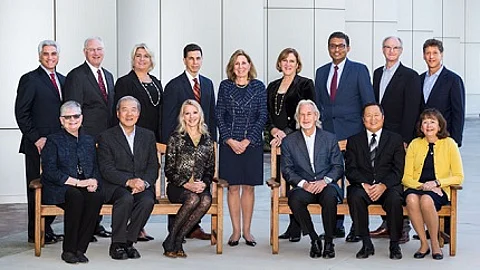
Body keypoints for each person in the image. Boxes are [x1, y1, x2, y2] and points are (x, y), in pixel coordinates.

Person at [314, 31, 375, 242]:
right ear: (328, 48)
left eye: (341, 45)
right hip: (328, 136)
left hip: (354, 135)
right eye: (333, 46)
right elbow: (318, 105)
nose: (337, 49)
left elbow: (368, 102)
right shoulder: (321, 72)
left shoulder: (359, 70)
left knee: (354, 179)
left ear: (348, 48)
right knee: (332, 178)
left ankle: (357, 227)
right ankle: (336, 225)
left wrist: (364, 135)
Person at [162, 43, 216, 240]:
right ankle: (175, 230)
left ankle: (194, 227)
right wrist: (174, 145)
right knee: (185, 187)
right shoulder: (174, 85)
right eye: (191, 58)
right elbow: (168, 119)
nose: (195, 62)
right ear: (184, 60)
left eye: (198, 58)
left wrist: (212, 145)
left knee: (201, 188)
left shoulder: (208, 84)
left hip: (202, 146)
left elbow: (211, 116)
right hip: (182, 147)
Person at [370, 36, 421, 242]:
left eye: (396, 48)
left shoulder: (410, 76)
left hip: (400, 137)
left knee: (398, 179)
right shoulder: (377, 73)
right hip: (379, 136)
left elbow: (411, 109)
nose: (391, 51)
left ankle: (402, 227)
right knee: (381, 175)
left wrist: (405, 139)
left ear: (401, 51)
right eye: (388, 47)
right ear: (383, 50)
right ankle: (386, 224)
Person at [64, 36, 115, 240]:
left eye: (99, 49)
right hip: (85, 139)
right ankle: (85, 226)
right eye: (92, 49)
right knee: (86, 180)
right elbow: (74, 110)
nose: (96, 53)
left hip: (105, 138)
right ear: (85, 52)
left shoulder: (108, 76)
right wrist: (82, 138)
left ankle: (96, 223)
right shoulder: (76, 76)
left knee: (100, 179)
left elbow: (109, 109)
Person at [14, 39, 65, 244]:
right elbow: (21, 112)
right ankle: (35, 232)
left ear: (58, 57)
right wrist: (36, 138)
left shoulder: (63, 79)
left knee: (54, 186)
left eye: (53, 54)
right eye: (46, 54)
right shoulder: (30, 79)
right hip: (37, 145)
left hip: (58, 144)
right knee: (36, 187)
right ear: (39, 56)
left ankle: (47, 229)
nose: (50, 57)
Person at [41, 101, 104, 264]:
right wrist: (78, 183)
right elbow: (50, 171)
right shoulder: (53, 140)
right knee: (75, 197)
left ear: (81, 117)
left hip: (83, 185)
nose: (72, 120)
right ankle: (68, 250)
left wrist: (94, 181)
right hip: (59, 187)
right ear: (61, 120)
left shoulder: (88, 140)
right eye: (67, 117)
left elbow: (96, 166)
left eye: (76, 116)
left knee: (96, 197)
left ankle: (80, 249)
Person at [216, 49, 267, 247]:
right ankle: (235, 231)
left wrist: (247, 141)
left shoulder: (258, 87)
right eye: (237, 63)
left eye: (244, 63)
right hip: (229, 145)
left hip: (251, 145)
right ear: (232, 67)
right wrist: (229, 140)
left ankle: (247, 230)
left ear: (249, 66)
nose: (240, 67)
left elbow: (262, 116)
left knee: (248, 188)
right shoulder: (225, 86)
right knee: (232, 188)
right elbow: (219, 114)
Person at [97, 96, 158, 260]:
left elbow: (153, 166)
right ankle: (117, 244)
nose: (129, 114)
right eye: (124, 109)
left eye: (133, 110)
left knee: (147, 201)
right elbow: (106, 168)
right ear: (117, 113)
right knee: (125, 198)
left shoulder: (148, 136)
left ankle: (129, 242)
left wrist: (143, 183)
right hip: (116, 185)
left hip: (141, 185)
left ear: (138, 113)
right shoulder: (106, 136)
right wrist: (128, 181)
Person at [281, 99, 344, 258]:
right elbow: (287, 170)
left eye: (309, 114)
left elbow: (338, 166)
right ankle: (314, 239)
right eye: (301, 115)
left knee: (330, 197)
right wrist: (304, 184)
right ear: (297, 118)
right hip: (305, 186)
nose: (305, 118)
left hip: (326, 185)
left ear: (316, 116)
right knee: (294, 199)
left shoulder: (329, 138)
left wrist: (325, 181)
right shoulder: (289, 141)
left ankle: (329, 241)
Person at [114, 43, 163, 242]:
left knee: (145, 180)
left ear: (151, 60)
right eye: (138, 56)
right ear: (133, 59)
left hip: (150, 138)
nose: (142, 59)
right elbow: (118, 112)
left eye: (146, 56)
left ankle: (138, 226)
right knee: (131, 180)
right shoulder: (125, 82)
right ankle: (132, 226)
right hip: (131, 136)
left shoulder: (156, 82)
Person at [266, 48, 315, 242]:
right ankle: (292, 225)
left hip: (297, 141)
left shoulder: (305, 84)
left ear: (297, 64)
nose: (288, 64)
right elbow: (267, 115)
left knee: (296, 182)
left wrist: (285, 133)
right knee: (283, 183)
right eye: (284, 60)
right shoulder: (272, 86)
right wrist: (273, 131)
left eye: (292, 61)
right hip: (277, 142)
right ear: (279, 63)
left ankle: (297, 225)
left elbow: (309, 112)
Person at [345, 103, 405, 260]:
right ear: (363, 120)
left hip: (387, 185)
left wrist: (383, 185)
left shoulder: (395, 139)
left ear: (383, 118)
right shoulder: (354, 140)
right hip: (363, 185)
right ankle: (366, 243)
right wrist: (364, 184)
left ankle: (394, 244)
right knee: (355, 196)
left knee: (394, 199)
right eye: (368, 116)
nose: (372, 119)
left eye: (376, 115)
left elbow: (398, 171)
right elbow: (351, 169)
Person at [403, 108, 464, 260]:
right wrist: (422, 186)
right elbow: (406, 177)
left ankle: (435, 243)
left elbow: (458, 176)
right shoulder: (414, 144)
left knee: (426, 200)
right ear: (421, 126)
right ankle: (424, 243)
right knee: (411, 199)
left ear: (440, 125)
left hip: (439, 190)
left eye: (432, 122)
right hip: (416, 187)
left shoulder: (449, 144)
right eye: (425, 122)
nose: (428, 126)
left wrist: (437, 183)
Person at [162, 99, 214, 258]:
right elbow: (169, 170)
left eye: (194, 112)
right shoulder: (176, 137)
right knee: (192, 199)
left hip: (200, 186)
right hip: (178, 187)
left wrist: (204, 183)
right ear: (182, 117)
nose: (191, 117)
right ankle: (172, 239)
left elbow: (210, 169)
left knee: (205, 200)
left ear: (200, 115)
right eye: (187, 113)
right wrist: (187, 185)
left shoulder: (207, 138)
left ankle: (176, 240)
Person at [420, 39, 465, 147]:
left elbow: (458, 112)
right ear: (423, 56)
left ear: (442, 55)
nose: (431, 57)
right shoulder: (419, 79)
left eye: (435, 53)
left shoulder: (453, 80)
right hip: (423, 138)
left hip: (444, 137)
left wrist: (455, 140)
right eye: (428, 53)